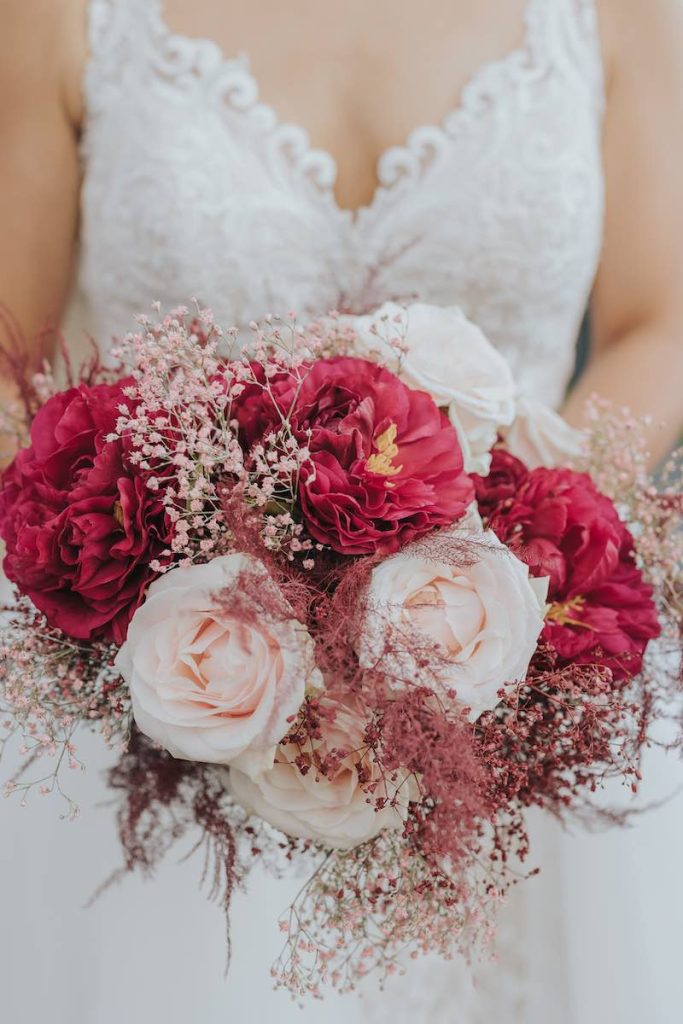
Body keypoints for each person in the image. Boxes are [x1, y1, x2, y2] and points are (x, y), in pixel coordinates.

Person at [0, 1, 682, 1022]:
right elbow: (12, 353)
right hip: (181, 682)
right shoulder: (61, 15)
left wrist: (510, 568)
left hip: (512, 662)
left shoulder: (621, 13)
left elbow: (655, 320)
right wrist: (216, 601)